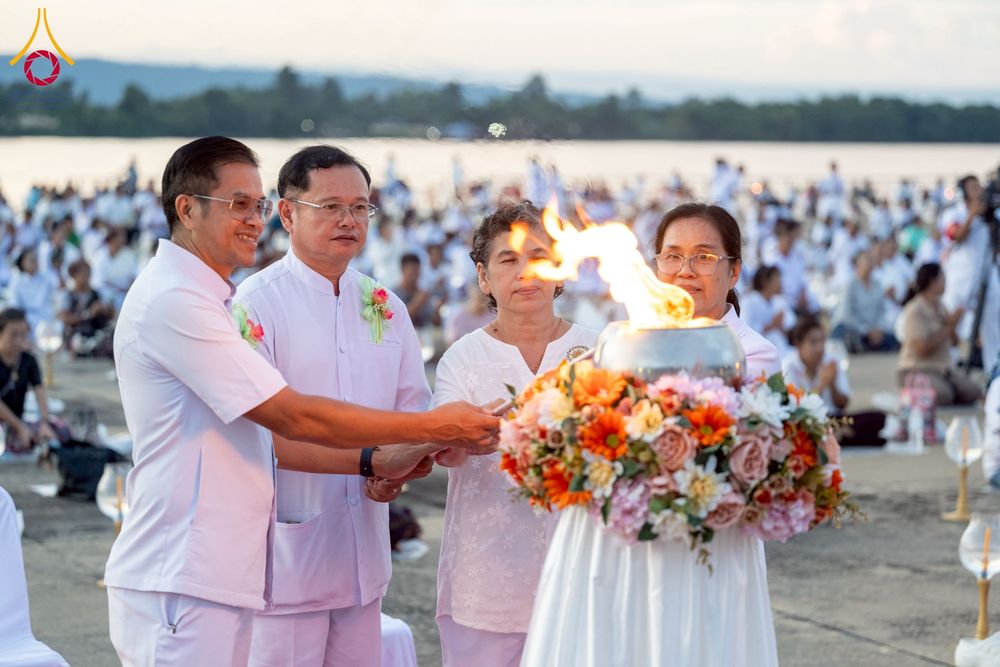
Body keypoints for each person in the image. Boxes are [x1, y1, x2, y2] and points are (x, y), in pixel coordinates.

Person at [104, 136, 498, 666]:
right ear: (187, 209)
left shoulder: (373, 304)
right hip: (202, 565)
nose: (252, 219)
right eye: (238, 204)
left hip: (279, 562)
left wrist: (408, 452)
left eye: (359, 207)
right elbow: (287, 419)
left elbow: (405, 420)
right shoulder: (205, 302)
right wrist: (408, 441)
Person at [236, 145, 446, 666]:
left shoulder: (385, 306)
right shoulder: (255, 305)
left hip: (364, 560)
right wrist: (373, 459)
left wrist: (404, 465)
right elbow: (256, 436)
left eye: (360, 207)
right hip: (284, 564)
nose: (349, 220)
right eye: (330, 206)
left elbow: (410, 417)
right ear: (287, 213)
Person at [433, 201, 597, 667]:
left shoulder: (597, 352)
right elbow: (444, 448)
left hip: (581, 575)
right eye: (509, 260)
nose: (527, 273)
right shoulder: (462, 359)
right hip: (485, 581)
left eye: (540, 257)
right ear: (484, 277)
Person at [783, 316, 886, 446]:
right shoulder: (789, 368)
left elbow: (843, 404)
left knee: (877, 417)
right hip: (806, 419)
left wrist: (832, 384)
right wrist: (821, 385)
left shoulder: (831, 360)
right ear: (798, 345)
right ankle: (841, 436)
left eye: (822, 341)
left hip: (833, 418)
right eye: (813, 342)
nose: (819, 348)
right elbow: (798, 409)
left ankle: (839, 434)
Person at [897, 262, 981, 406]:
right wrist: (949, 326)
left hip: (942, 369)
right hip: (918, 369)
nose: (945, 282)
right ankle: (914, 391)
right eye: (942, 278)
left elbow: (954, 343)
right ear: (933, 282)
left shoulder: (941, 306)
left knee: (974, 391)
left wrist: (954, 324)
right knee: (943, 395)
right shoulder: (915, 310)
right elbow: (921, 349)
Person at [940, 175, 999, 373]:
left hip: (985, 275)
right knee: (951, 320)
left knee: (993, 321)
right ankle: (948, 360)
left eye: (979, 186)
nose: (979, 191)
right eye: (974, 187)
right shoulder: (953, 214)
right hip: (960, 277)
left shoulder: (989, 215)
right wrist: (972, 215)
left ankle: (993, 369)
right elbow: (955, 236)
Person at [0, 309, 58, 454]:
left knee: (57, 432)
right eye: (13, 334)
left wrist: (44, 422)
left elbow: (39, 390)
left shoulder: (28, 359)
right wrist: (19, 427)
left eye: (23, 334)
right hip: (7, 422)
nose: (19, 339)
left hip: (16, 420)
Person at [831, 250, 900, 353]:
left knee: (893, 339)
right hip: (855, 328)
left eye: (871, 260)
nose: (870, 263)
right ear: (856, 264)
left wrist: (878, 329)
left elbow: (882, 311)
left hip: (874, 328)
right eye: (866, 260)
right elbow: (847, 315)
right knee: (851, 337)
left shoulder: (877, 284)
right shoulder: (850, 285)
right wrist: (867, 330)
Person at [58, 260, 114, 357]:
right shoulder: (67, 295)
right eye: (83, 273)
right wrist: (88, 314)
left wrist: (105, 310)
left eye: (88, 273)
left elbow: (111, 314)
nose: (87, 276)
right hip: (77, 335)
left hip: (95, 335)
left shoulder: (97, 293)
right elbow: (65, 318)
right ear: (74, 275)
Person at [740, 265, 793, 358]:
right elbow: (745, 331)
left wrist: (780, 326)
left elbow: (791, 328)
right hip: (758, 352)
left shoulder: (779, 301)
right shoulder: (748, 302)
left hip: (782, 348)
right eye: (776, 279)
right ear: (765, 282)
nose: (780, 282)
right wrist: (771, 325)